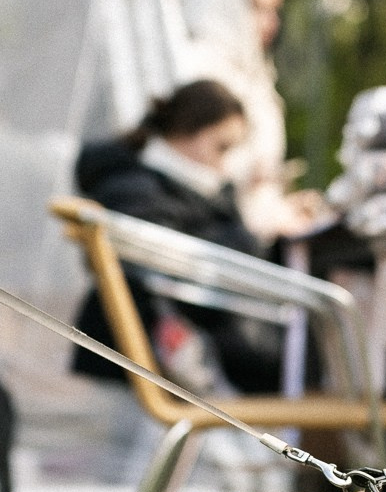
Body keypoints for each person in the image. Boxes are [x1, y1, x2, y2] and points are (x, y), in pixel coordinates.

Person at [72, 77, 287, 395]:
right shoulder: (134, 187)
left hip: (176, 354)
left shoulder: (188, 187)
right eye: (222, 147)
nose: (224, 162)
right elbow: (177, 264)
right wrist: (253, 229)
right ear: (191, 130)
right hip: (147, 358)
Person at [175, 0, 326, 240]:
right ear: (227, 5)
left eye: (275, 10)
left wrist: (280, 206)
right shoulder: (197, 67)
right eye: (257, 8)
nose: (270, 22)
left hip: (248, 235)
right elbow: (196, 169)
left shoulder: (258, 77)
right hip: (210, 236)